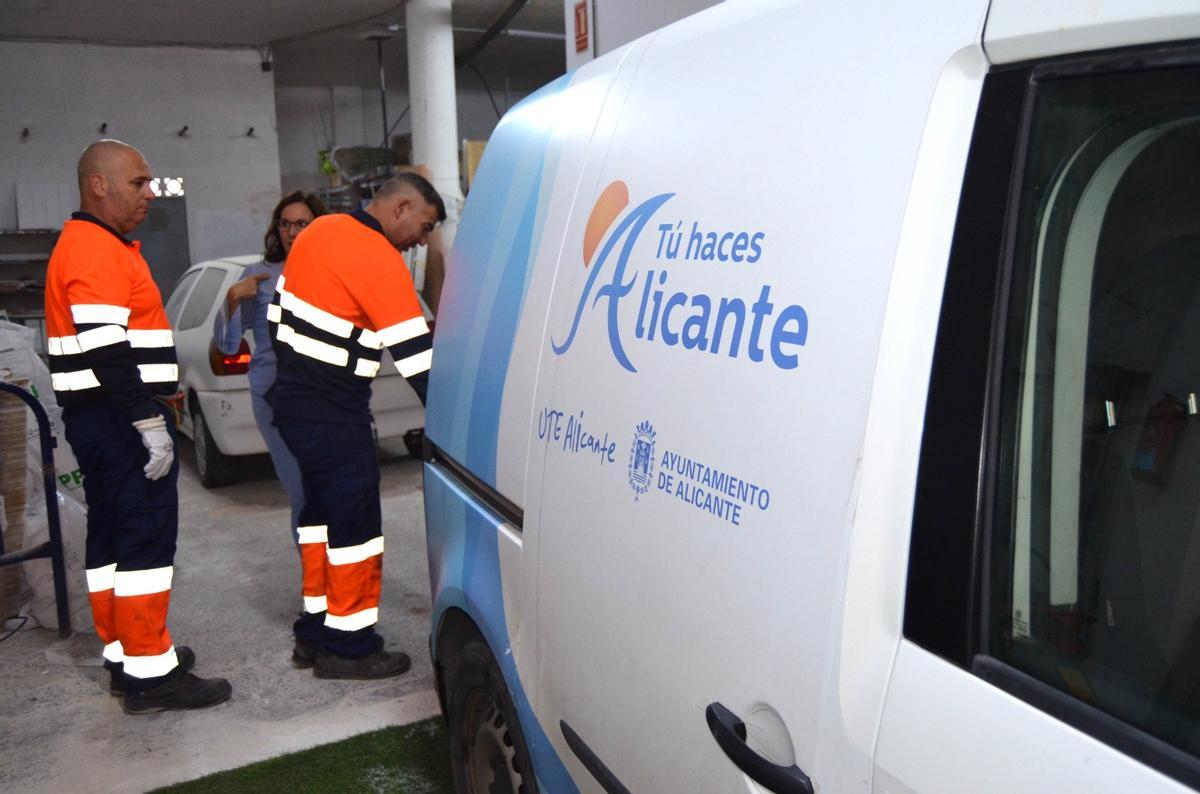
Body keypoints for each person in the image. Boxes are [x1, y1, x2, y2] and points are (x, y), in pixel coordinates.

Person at [44, 139, 231, 713]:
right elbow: (106, 348)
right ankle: (152, 674)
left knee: (113, 538)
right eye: (139, 183)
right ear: (98, 185)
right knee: (146, 538)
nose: (149, 194)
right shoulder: (96, 249)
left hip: (103, 419)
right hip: (119, 418)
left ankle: (127, 653)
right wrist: (149, 419)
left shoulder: (101, 245)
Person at [269, 173, 444, 678]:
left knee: (321, 519)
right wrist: (458, 426)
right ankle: (350, 645)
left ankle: (316, 631)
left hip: (294, 402)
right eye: (425, 225)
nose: (423, 239)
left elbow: (278, 319)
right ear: (402, 207)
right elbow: (418, 361)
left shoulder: (319, 233)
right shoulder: (378, 258)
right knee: (356, 524)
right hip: (334, 412)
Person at [212, 191, 327, 545]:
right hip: (273, 395)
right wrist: (232, 299)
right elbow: (229, 345)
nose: (292, 231)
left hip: (323, 397)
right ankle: (316, 589)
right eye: (286, 223)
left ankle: (336, 579)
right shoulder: (259, 276)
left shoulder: (330, 272)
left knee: (330, 491)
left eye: (301, 224)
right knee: (302, 492)